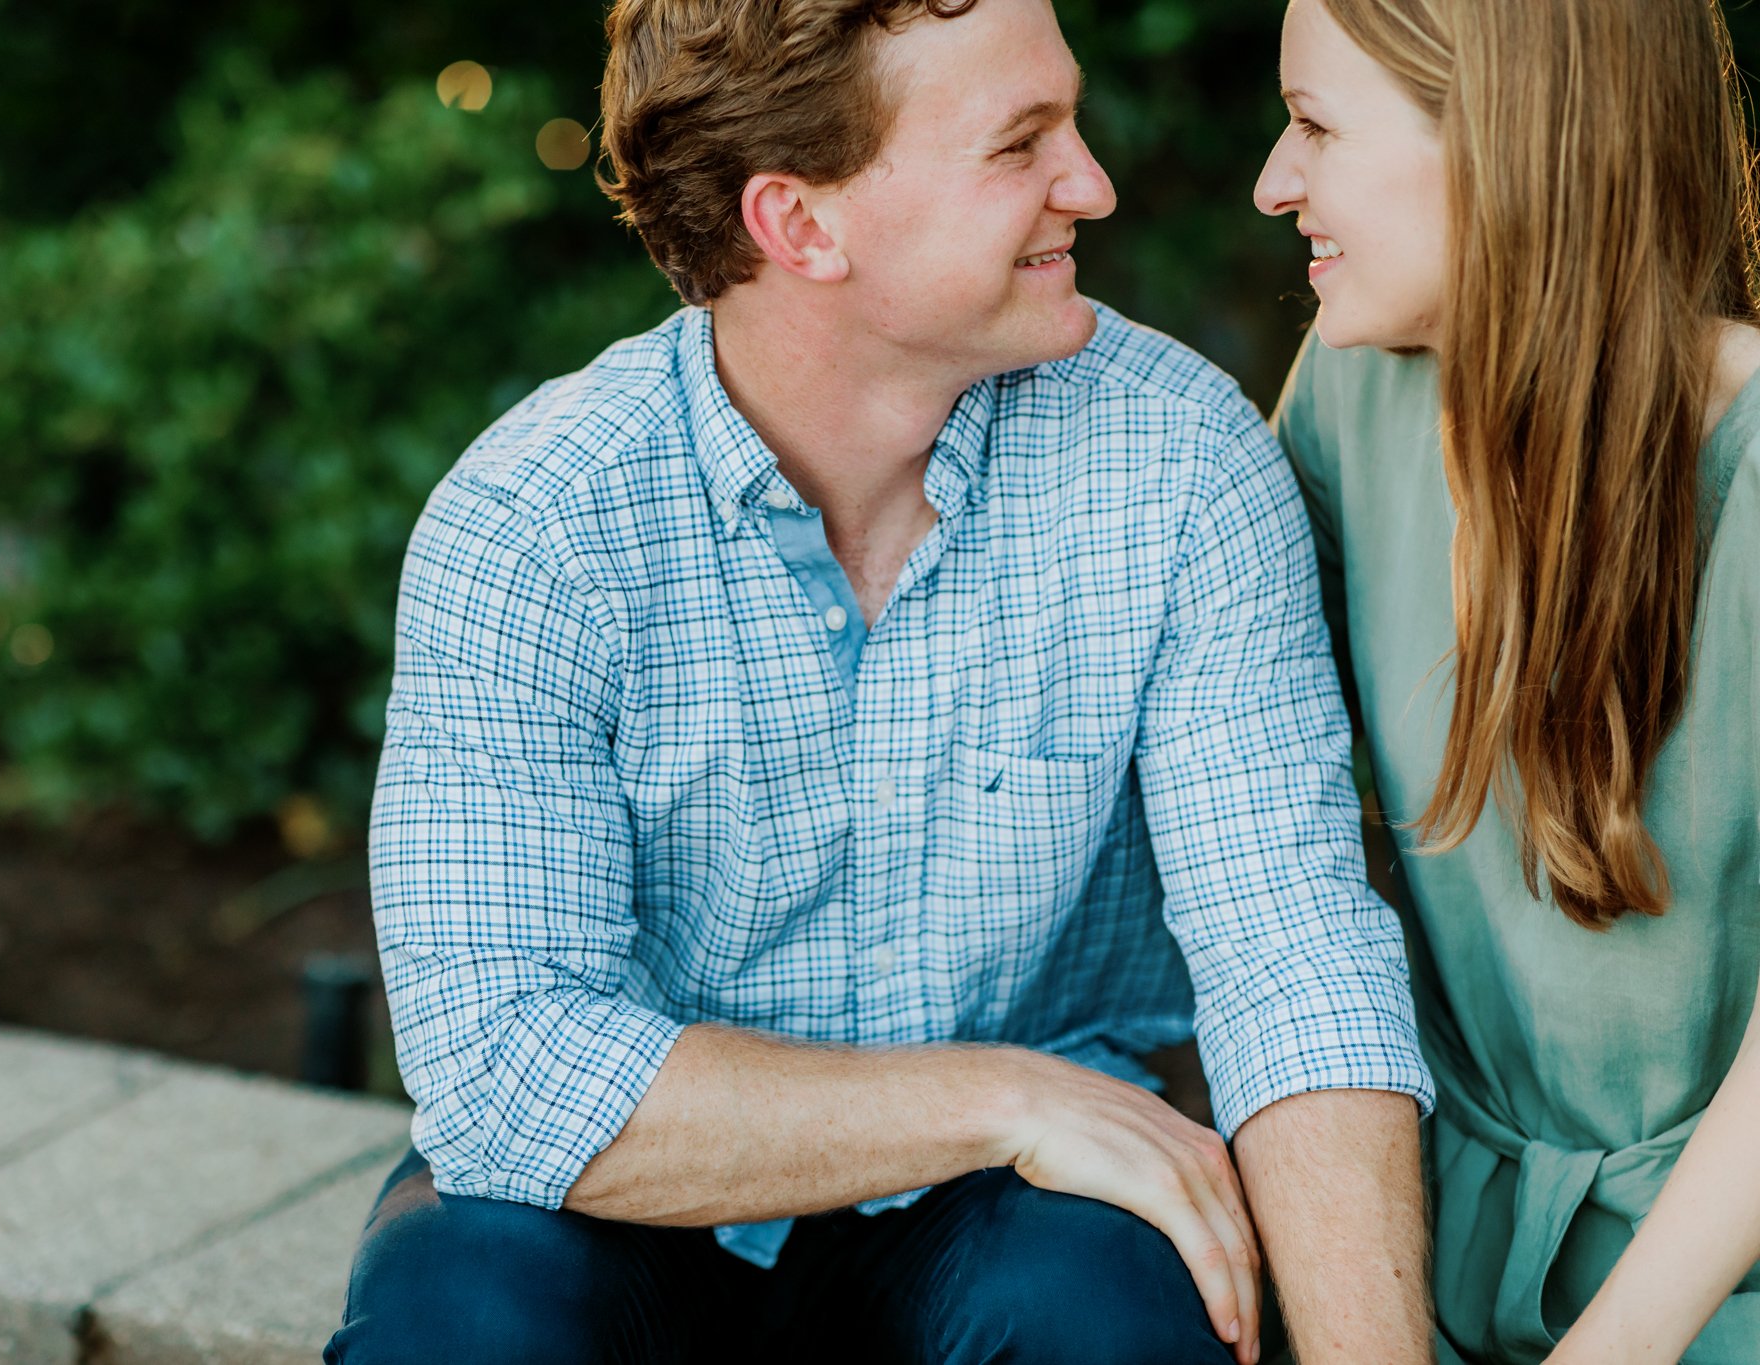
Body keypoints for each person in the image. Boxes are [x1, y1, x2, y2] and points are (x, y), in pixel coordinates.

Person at [329, 1, 1439, 1361]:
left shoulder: (1182, 464)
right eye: (1020, 144)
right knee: (466, 1300)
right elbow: (506, 1072)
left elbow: (1296, 965)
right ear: (802, 226)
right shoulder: (537, 524)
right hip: (649, 1219)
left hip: (1012, 1229)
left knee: (1120, 1302)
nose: (1090, 183)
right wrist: (1001, 1095)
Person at [1258, 0, 1760, 1359]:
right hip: (1425, 1242)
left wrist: (1624, 1340)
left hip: (1713, 1278)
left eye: (1314, 126)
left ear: (1505, 140)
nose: (1271, 183)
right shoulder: (1354, 395)